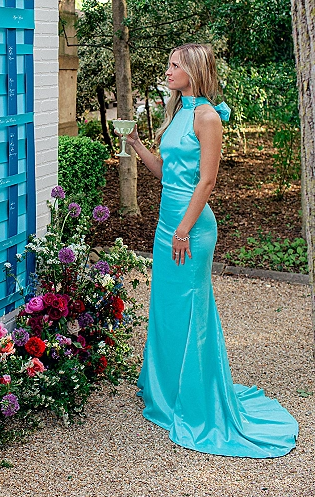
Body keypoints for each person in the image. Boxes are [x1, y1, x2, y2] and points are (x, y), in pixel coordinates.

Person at [121, 43, 298, 457]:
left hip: (192, 229)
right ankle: (167, 391)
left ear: (194, 70)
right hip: (167, 225)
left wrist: (183, 230)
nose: (167, 71)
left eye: (174, 66)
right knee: (167, 308)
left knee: (192, 308)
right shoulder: (177, 111)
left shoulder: (207, 116)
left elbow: (206, 182)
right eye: (168, 65)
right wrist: (136, 143)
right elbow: (166, 173)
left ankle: (198, 400)